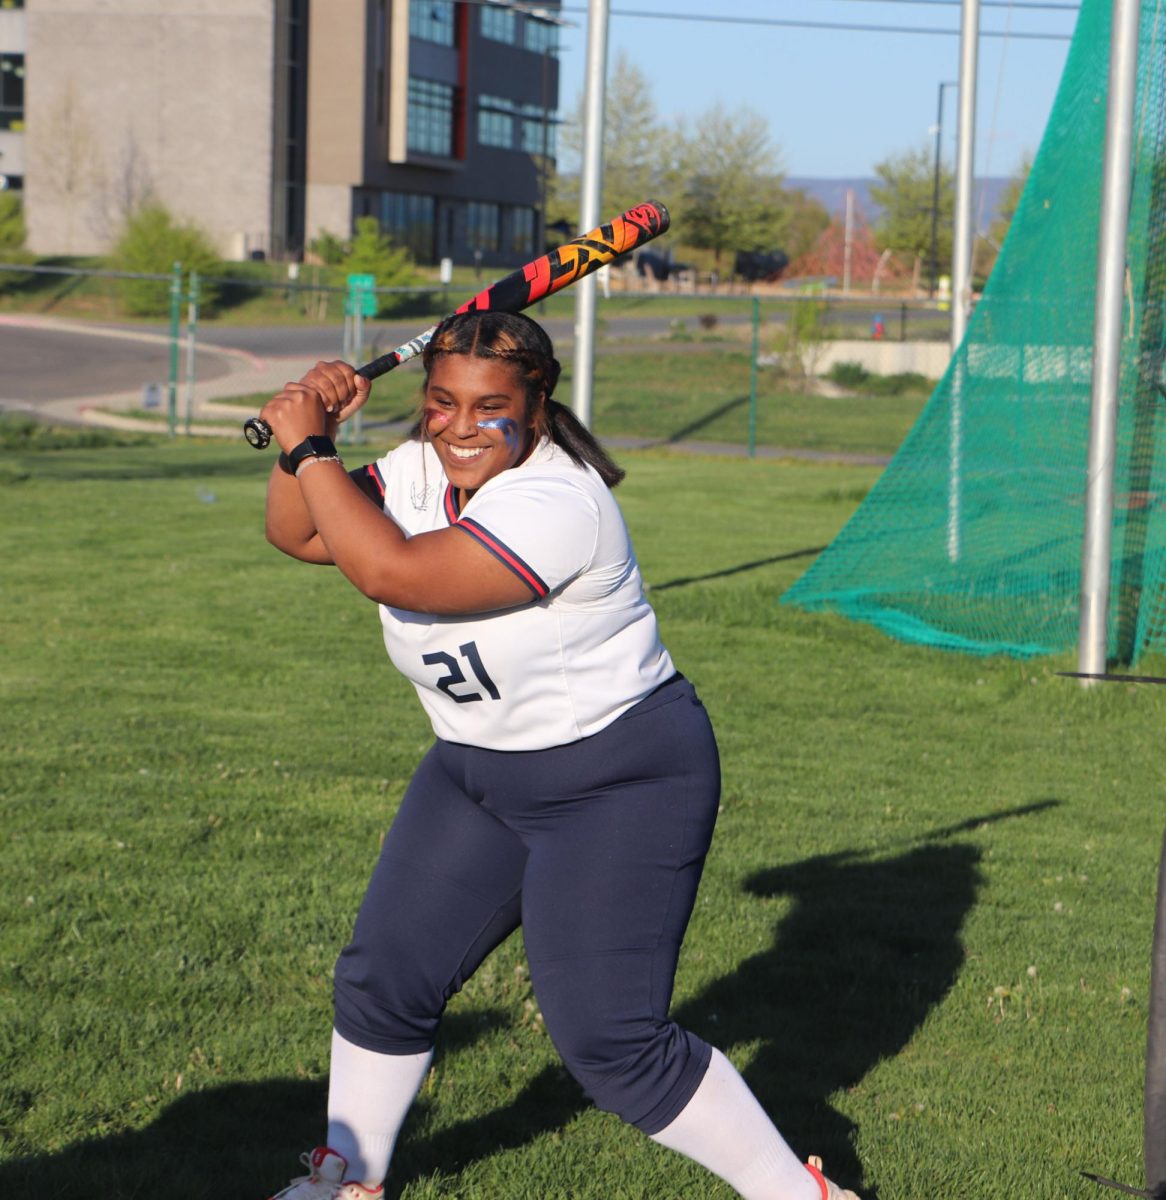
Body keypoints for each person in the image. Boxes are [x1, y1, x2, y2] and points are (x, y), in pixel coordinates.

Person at [257, 311, 861, 1200]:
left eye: (490, 406)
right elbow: (302, 535)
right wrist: (304, 444)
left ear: (537, 408)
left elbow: (395, 573)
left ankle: (800, 1196)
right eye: (442, 403)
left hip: (615, 781)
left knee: (613, 1044)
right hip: (474, 772)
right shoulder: (424, 466)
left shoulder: (560, 501)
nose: (462, 427)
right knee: (385, 975)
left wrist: (311, 450)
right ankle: (349, 1179)